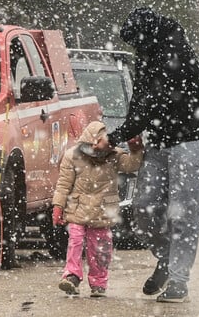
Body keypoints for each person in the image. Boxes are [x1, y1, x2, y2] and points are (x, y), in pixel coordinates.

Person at [97, 7, 199, 303]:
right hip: (160, 141)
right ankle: (166, 258)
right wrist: (130, 129)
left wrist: (115, 137)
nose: (135, 47)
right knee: (143, 210)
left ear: (147, 33)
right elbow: (141, 101)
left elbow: (155, 100)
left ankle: (178, 280)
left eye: (137, 40)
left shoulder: (174, 50)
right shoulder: (147, 54)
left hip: (191, 139)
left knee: (183, 212)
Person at [52, 121, 143, 298]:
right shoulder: (72, 156)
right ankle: (72, 276)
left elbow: (132, 165)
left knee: (100, 248)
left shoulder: (115, 156)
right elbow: (63, 184)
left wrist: (136, 150)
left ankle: (99, 282)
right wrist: (58, 206)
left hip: (102, 210)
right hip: (78, 208)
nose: (94, 148)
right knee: (75, 241)